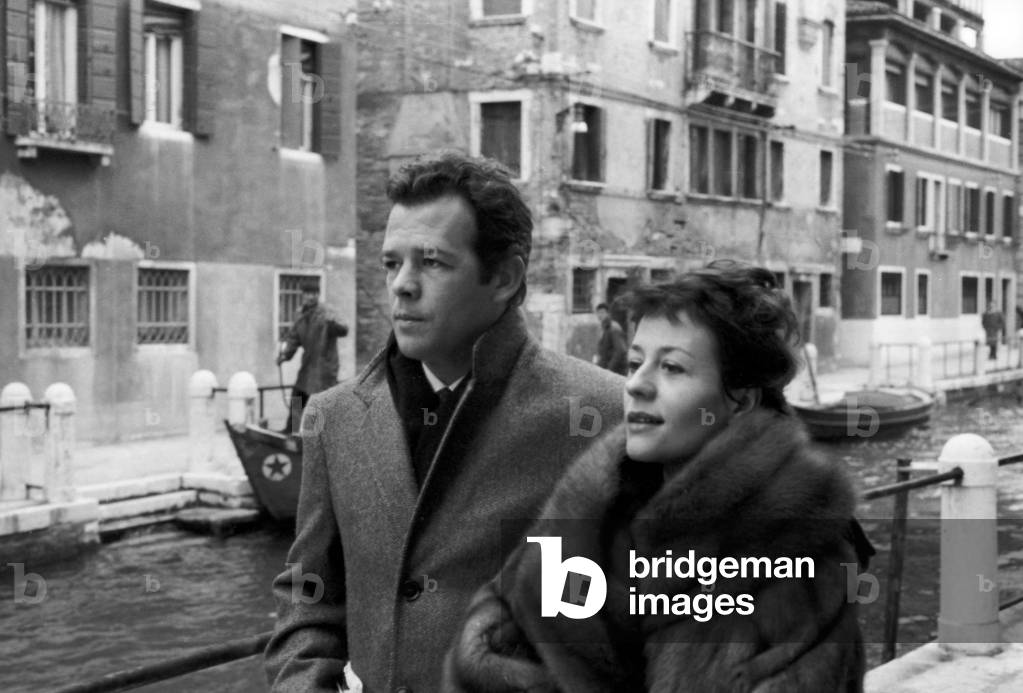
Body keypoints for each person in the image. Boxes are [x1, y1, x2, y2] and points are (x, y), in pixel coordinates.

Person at [264, 152, 624, 693]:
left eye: (432, 262)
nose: (402, 286)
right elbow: (308, 598)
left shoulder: (603, 417)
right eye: (391, 264)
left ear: (502, 277)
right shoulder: (332, 418)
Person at [446, 261, 869, 692]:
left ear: (739, 400)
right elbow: (483, 652)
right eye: (634, 363)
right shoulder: (583, 517)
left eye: (672, 368)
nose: (637, 386)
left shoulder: (802, 560)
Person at [276, 282, 349, 433]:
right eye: (308, 293)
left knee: (321, 405)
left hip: (324, 369)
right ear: (303, 295)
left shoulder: (326, 312)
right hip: (308, 366)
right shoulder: (300, 315)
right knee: (298, 396)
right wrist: (285, 355)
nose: (311, 296)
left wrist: (333, 322)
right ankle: (291, 432)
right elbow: (293, 339)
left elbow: (343, 330)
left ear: (318, 295)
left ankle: (324, 441)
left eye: (314, 293)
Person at [595, 302, 628, 375]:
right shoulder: (603, 328)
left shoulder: (613, 327)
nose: (600, 315)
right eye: (598, 313)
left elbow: (621, 350)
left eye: (602, 312)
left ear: (608, 313)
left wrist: (609, 369)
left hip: (616, 371)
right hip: (606, 369)